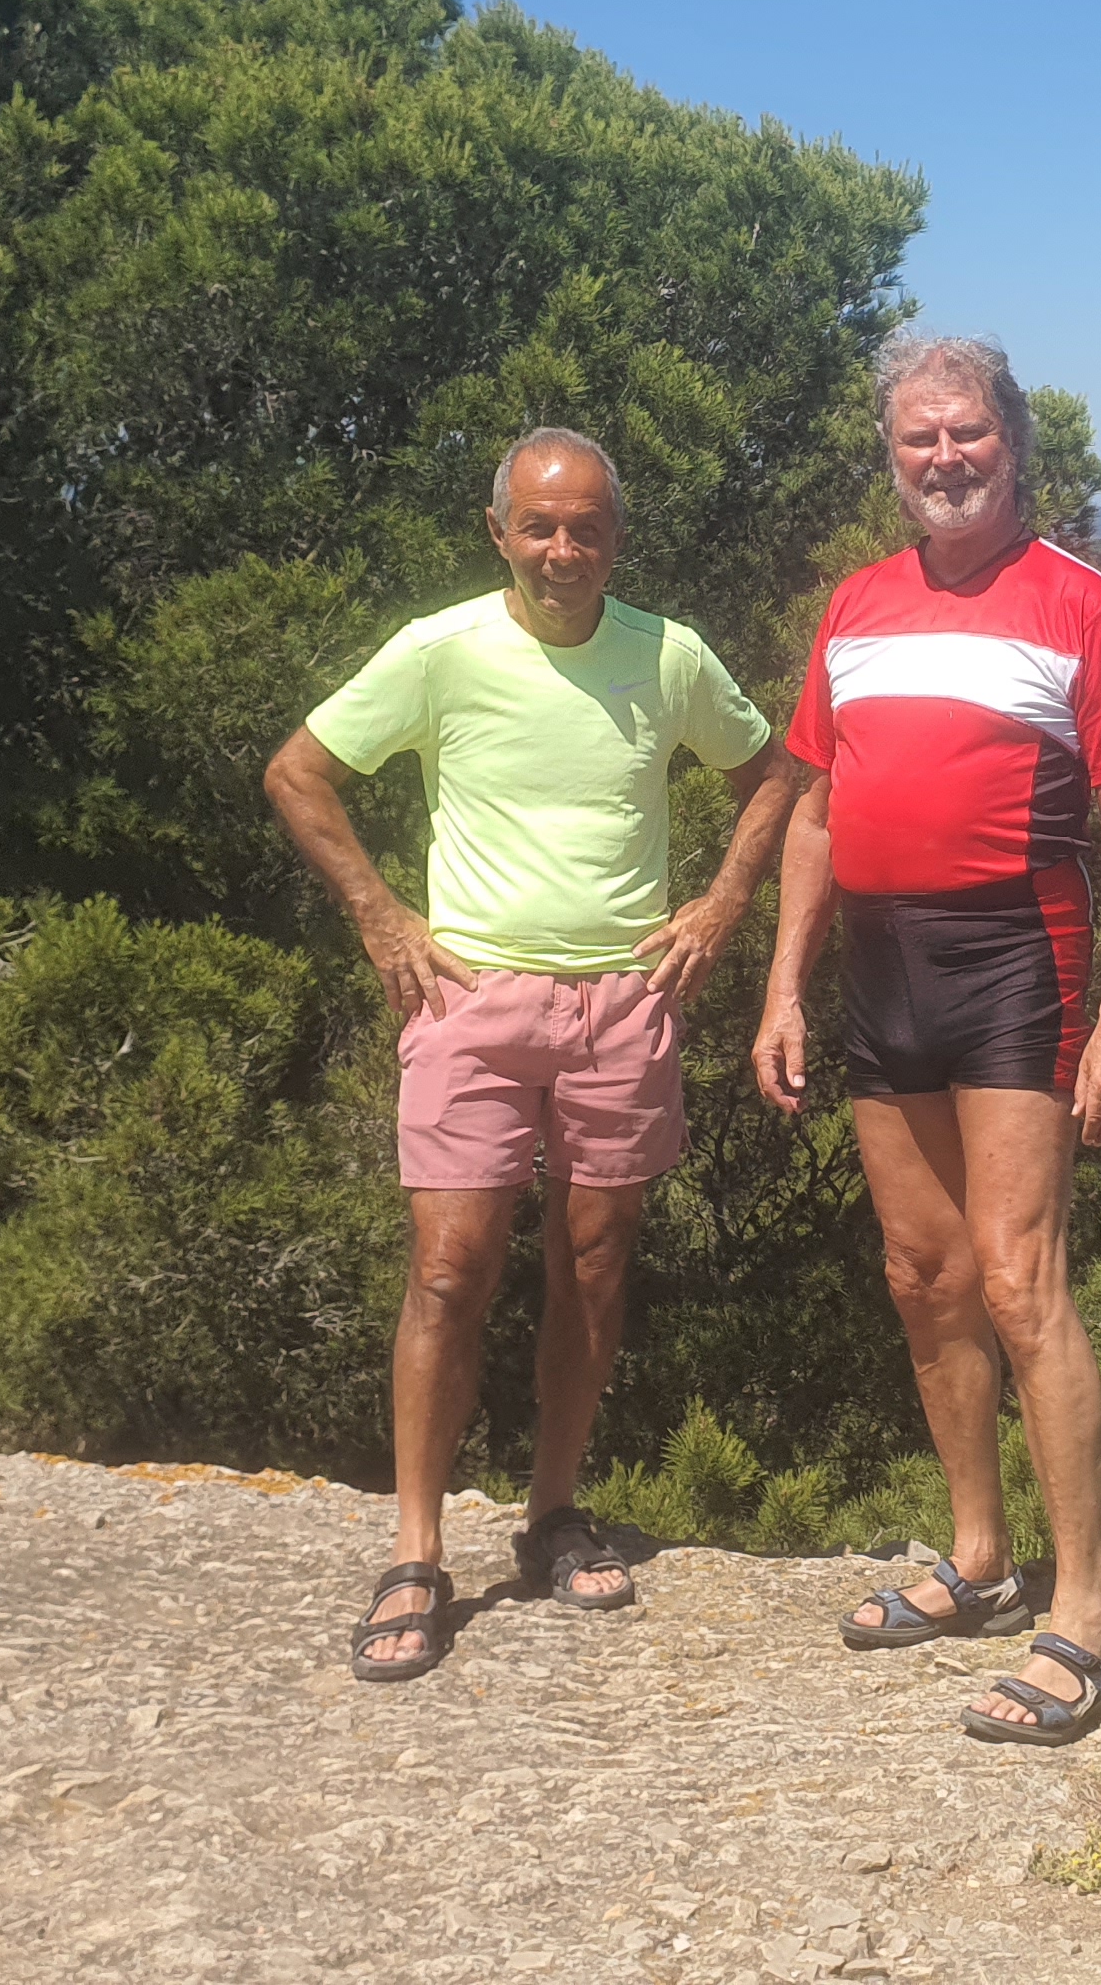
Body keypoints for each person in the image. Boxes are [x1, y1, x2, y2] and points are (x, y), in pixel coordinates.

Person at [266, 427, 796, 1682]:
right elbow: (298, 775)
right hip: (475, 1001)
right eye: (542, 526)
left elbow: (775, 775)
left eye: (589, 526)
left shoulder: (668, 656)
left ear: (619, 535)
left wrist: (719, 909)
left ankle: (554, 1509)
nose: (566, 549)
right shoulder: (442, 650)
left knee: (595, 1267)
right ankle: (416, 1553)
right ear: (499, 529)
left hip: (623, 1000)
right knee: (450, 1272)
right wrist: (381, 917)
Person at [754, 334, 1101, 1746]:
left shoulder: (1077, 604)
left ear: (1013, 444)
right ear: (895, 454)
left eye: (969, 435)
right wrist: (782, 989)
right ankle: (980, 1562)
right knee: (921, 1273)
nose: (945, 458)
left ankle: (1088, 1616)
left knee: (1016, 1275)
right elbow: (814, 806)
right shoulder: (858, 606)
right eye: (920, 438)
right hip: (882, 965)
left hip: (1017, 959)